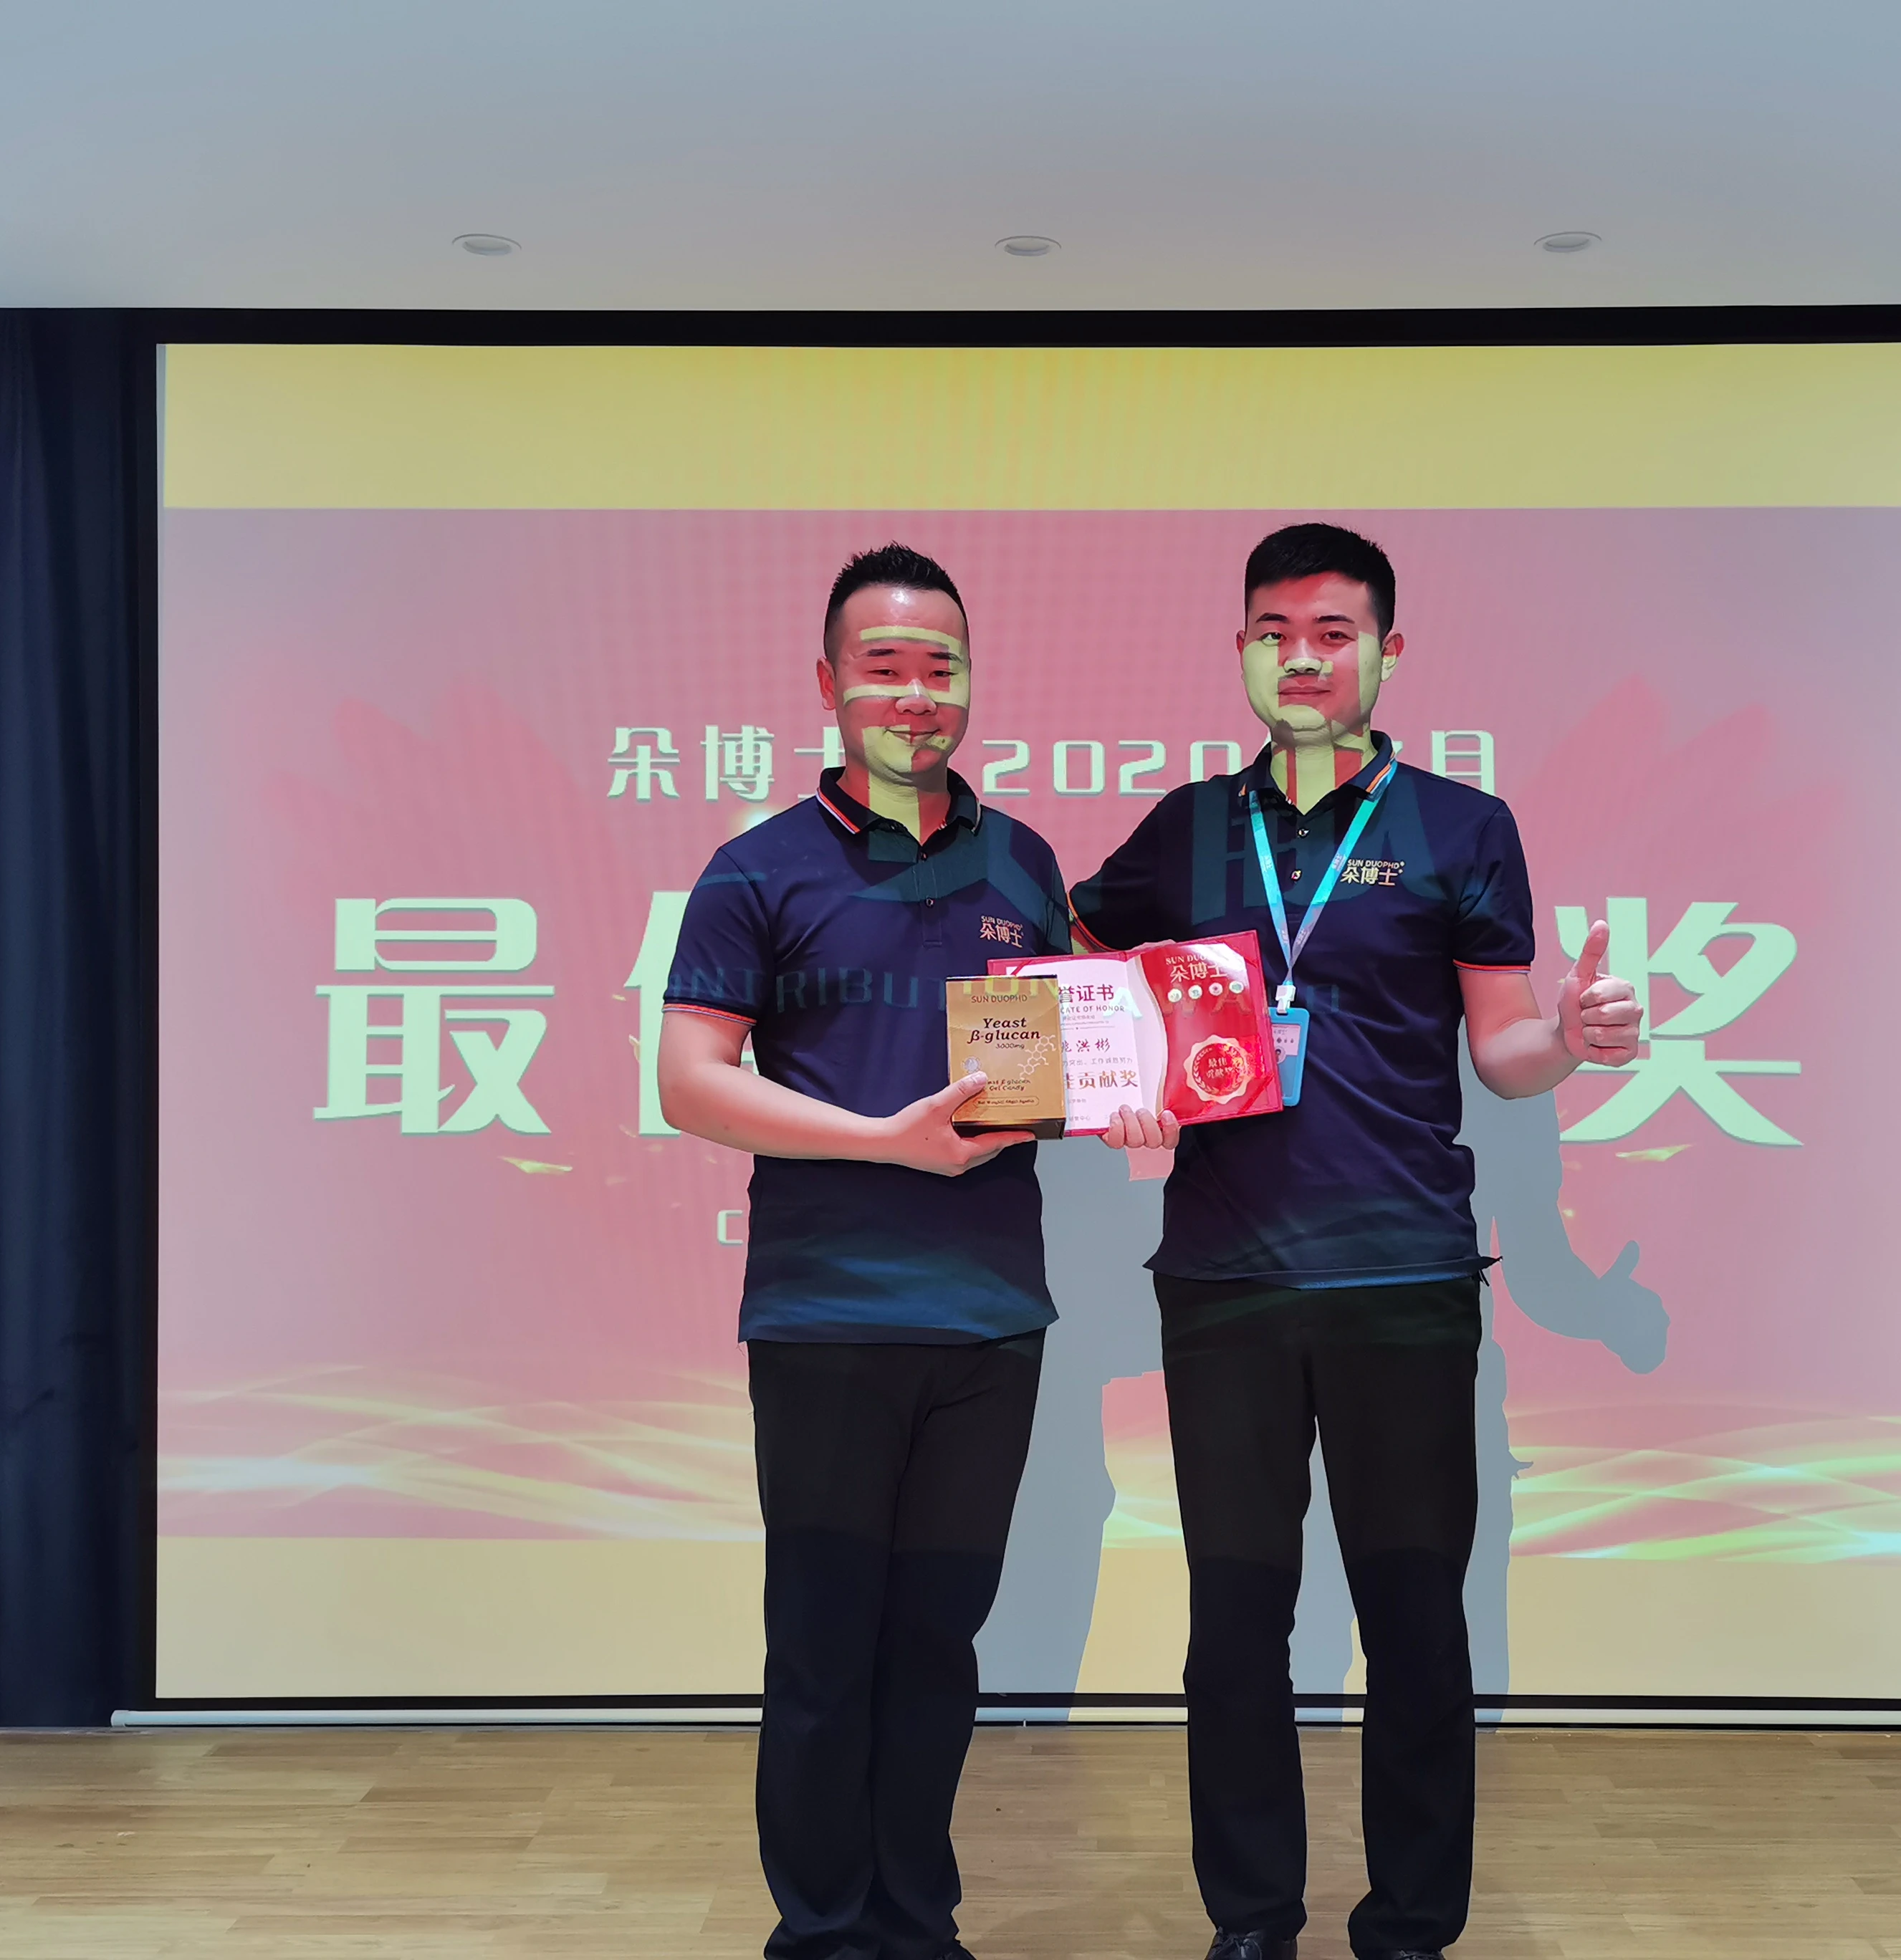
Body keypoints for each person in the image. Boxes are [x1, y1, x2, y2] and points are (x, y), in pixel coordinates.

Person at [1070, 523, 1645, 1960]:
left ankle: (1412, 1924)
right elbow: (1076, 961)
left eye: (1333, 632)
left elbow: (1502, 1048)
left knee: (1415, 1620)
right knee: (1235, 1623)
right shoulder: (1189, 826)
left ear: (1388, 653)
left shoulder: (1461, 826)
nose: (1303, 658)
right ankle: (1252, 1918)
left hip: (1406, 1276)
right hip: (1224, 1280)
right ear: (1241, 652)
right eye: (1274, 632)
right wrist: (1121, 1074)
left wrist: (1567, 1040)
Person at [656, 542, 1073, 1960]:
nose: (915, 695)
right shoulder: (757, 868)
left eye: (940, 667)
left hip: (990, 1322)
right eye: (883, 668)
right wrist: (884, 1141)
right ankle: (823, 1930)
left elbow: (1062, 1056)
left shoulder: (1024, 861)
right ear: (828, 683)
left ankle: (917, 1919)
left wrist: (1134, 1087)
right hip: (826, 1319)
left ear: (971, 684)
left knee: (938, 1646)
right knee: (827, 1650)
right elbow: (690, 1081)